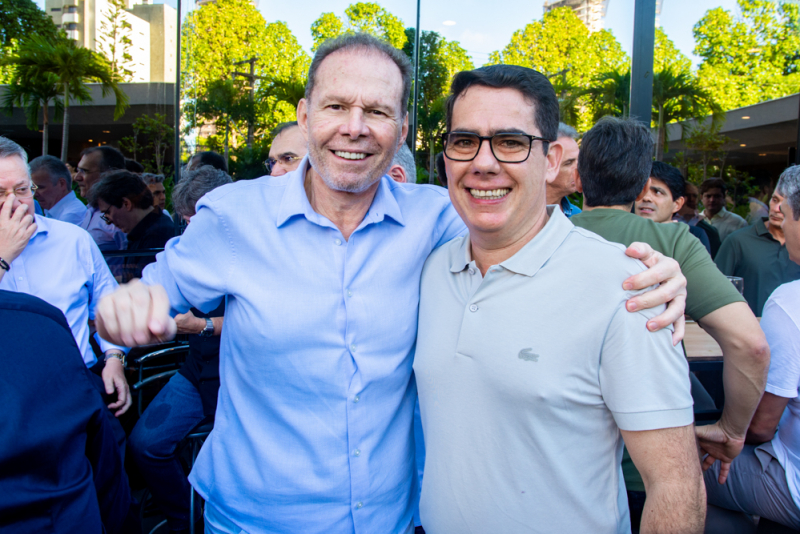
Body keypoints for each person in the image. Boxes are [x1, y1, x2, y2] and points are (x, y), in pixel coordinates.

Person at [95, 33, 687, 534]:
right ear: (305, 115)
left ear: (401, 128)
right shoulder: (233, 218)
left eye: (377, 112)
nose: (354, 128)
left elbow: (521, 222)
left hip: (392, 520)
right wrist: (124, 315)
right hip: (255, 519)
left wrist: (654, 275)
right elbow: (146, 294)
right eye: (336, 106)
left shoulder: (438, 219)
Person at [414, 66, 703, 534]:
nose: (483, 163)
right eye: (464, 141)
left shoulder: (627, 287)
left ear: (552, 161)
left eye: (510, 142)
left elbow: (676, 486)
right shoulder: (429, 269)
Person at [570, 119, 769, 527]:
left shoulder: (536, 240)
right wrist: (731, 431)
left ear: (577, 178)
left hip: (558, 470)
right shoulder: (673, 242)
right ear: (642, 186)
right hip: (648, 474)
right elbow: (751, 345)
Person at [129, 165, 232, 533]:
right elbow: (159, 287)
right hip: (196, 367)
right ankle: (185, 519)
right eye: (185, 220)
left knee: (230, 461)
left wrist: (202, 326)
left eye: (195, 219)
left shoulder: (251, 248)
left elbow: (272, 319)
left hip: (236, 374)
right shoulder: (187, 249)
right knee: (144, 444)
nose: (189, 228)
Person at [0, 136, 130, 417]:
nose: (14, 202)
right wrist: (4, 256)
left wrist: (114, 358)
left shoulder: (74, 241)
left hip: (76, 386)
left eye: (22, 189)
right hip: (7, 399)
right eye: (0, 192)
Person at [704, 165, 800, 532]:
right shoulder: (740, 242)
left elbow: (759, 427)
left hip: (792, 483)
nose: (782, 223)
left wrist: (716, 431)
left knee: (682, 464)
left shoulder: (790, 303)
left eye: (786, 213)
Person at [0, 290, 133, 533]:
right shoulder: (36, 313)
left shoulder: (41, 312)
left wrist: (115, 359)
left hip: (78, 380)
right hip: (55, 396)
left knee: (121, 443)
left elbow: (116, 307)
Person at [716, 181, 800, 316]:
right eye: (774, 200)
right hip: (747, 326)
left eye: (785, 203)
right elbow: (714, 292)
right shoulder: (738, 241)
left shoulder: (796, 246)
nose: (777, 208)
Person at [89, 170, 174, 283]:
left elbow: (143, 284)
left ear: (126, 204)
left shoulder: (157, 234)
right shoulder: (147, 230)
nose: (108, 221)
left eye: (107, 212)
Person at [636, 161, 712, 253]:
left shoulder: (692, 236)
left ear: (677, 204)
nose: (646, 198)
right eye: (641, 190)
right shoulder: (622, 229)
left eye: (657, 192)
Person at [76, 146, 128, 252]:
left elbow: (131, 258)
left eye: (84, 171)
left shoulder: (121, 215)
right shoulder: (90, 210)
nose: (77, 177)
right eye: (78, 170)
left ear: (109, 174)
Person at [29, 155, 87, 225]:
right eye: (32, 188)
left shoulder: (71, 215)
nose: (35, 194)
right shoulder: (54, 208)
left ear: (61, 184)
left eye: (40, 187)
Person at [676, 181, 722, 258]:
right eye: (687, 195)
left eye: (694, 196)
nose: (691, 199)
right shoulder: (664, 223)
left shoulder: (709, 231)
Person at [545, 122, 582, 216]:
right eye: (569, 163)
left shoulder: (576, 215)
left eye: (579, 161)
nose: (579, 169)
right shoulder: (518, 218)